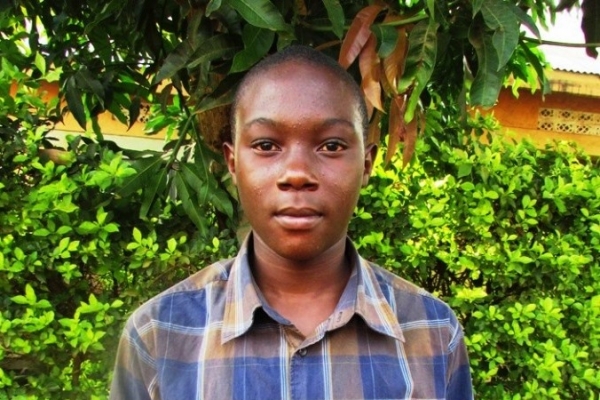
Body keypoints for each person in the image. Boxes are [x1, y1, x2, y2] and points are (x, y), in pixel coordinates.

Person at [110, 45, 473, 400]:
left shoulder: (433, 332)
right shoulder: (159, 335)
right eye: (267, 146)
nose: (297, 173)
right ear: (233, 164)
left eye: (331, 146)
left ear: (366, 164)